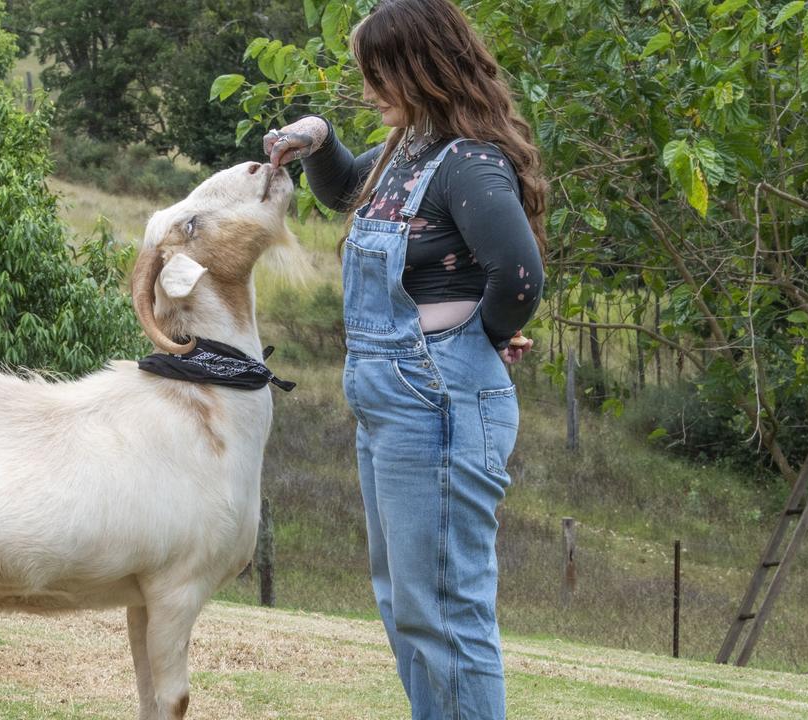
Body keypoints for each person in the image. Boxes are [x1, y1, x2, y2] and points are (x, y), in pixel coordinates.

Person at [262, 1, 546, 718]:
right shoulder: (411, 152)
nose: (368, 91)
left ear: (424, 67)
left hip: (438, 396)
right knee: (408, 607)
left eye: (379, 74)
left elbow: (518, 276)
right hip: (396, 399)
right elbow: (345, 191)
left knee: (446, 615)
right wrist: (319, 138)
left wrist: (469, 342)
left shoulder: (469, 163)